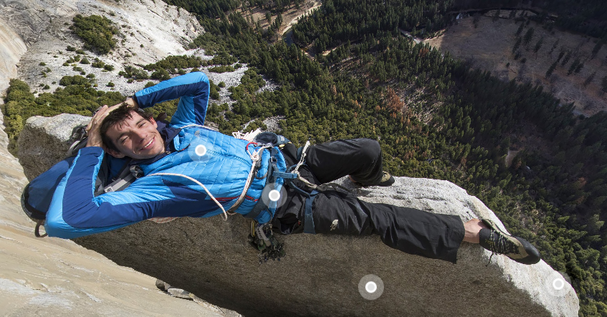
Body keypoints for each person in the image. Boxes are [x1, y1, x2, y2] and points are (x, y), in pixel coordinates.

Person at [45, 72, 540, 265]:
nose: (138, 136)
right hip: (286, 204)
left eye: (138, 123)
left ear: (151, 118)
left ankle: (372, 175)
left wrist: (136, 97)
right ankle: (472, 232)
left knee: (367, 148)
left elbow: (198, 82)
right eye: (124, 139)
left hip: (286, 163)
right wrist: (92, 145)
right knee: (378, 220)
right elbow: (71, 219)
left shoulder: (182, 129)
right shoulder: (157, 187)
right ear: (122, 153)